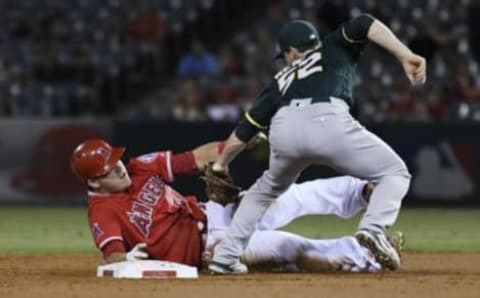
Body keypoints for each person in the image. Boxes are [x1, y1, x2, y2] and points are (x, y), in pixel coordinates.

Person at [208, 14, 426, 274]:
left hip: (284, 127)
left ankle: (226, 256)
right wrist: (404, 54)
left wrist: (221, 164)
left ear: (290, 51)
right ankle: (373, 229)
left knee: (262, 192)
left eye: (285, 54)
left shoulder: (281, 79)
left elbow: (246, 128)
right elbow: (365, 22)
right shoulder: (333, 45)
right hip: (328, 119)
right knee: (394, 173)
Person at [70, 138, 402, 272]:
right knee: (287, 246)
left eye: (117, 159)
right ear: (94, 183)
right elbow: (111, 256)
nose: (119, 167)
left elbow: (196, 158)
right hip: (212, 248)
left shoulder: (140, 166)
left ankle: (364, 192)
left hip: (214, 213)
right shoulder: (102, 211)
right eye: (109, 169)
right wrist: (126, 260)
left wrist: (236, 142)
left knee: (285, 198)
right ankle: (368, 255)